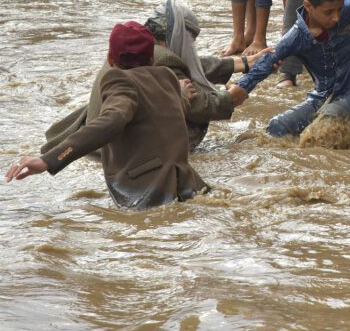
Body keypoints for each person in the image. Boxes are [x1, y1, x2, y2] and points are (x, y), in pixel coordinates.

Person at [6, 22, 209, 210]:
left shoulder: (119, 80)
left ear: (111, 59)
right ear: (152, 58)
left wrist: (49, 160)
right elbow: (158, 115)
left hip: (145, 194)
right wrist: (181, 97)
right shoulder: (167, 77)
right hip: (188, 184)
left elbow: (111, 122)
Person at [42, 0, 269, 152]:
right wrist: (233, 96)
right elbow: (202, 106)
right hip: (124, 153)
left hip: (98, 143)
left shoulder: (135, 47)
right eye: (190, 41)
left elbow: (190, 64)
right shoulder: (162, 60)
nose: (191, 47)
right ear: (178, 36)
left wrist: (245, 63)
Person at [229, 0, 350, 137]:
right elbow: (263, 65)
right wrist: (232, 96)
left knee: (328, 122)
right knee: (277, 127)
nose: (337, 17)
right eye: (329, 12)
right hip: (322, 99)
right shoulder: (296, 36)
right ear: (308, 6)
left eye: (339, 9)